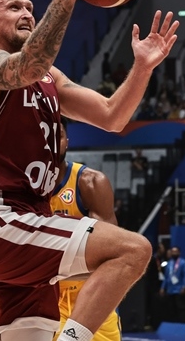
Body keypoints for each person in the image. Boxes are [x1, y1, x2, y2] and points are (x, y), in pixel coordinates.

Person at [0, 0, 179, 341]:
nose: (27, 12)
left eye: (29, 5)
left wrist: (144, 68)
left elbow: (113, 117)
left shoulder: (49, 78)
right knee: (133, 250)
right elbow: (26, 67)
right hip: (3, 220)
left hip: (30, 223)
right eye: (14, 8)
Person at [49, 121, 121, 341]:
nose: (52, 142)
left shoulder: (90, 183)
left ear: (67, 142)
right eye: (44, 136)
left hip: (92, 298)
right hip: (47, 302)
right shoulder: (21, 191)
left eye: (58, 136)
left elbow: (110, 257)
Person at [159, 246, 185, 323]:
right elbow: (166, 277)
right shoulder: (169, 264)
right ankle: (172, 323)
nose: (174, 253)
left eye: (176, 252)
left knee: (180, 307)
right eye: (173, 251)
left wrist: (184, 286)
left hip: (179, 289)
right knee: (171, 308)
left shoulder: (183, 263)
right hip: (170, 289)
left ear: (179, 253)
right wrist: (162, 287)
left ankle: (181, 323)